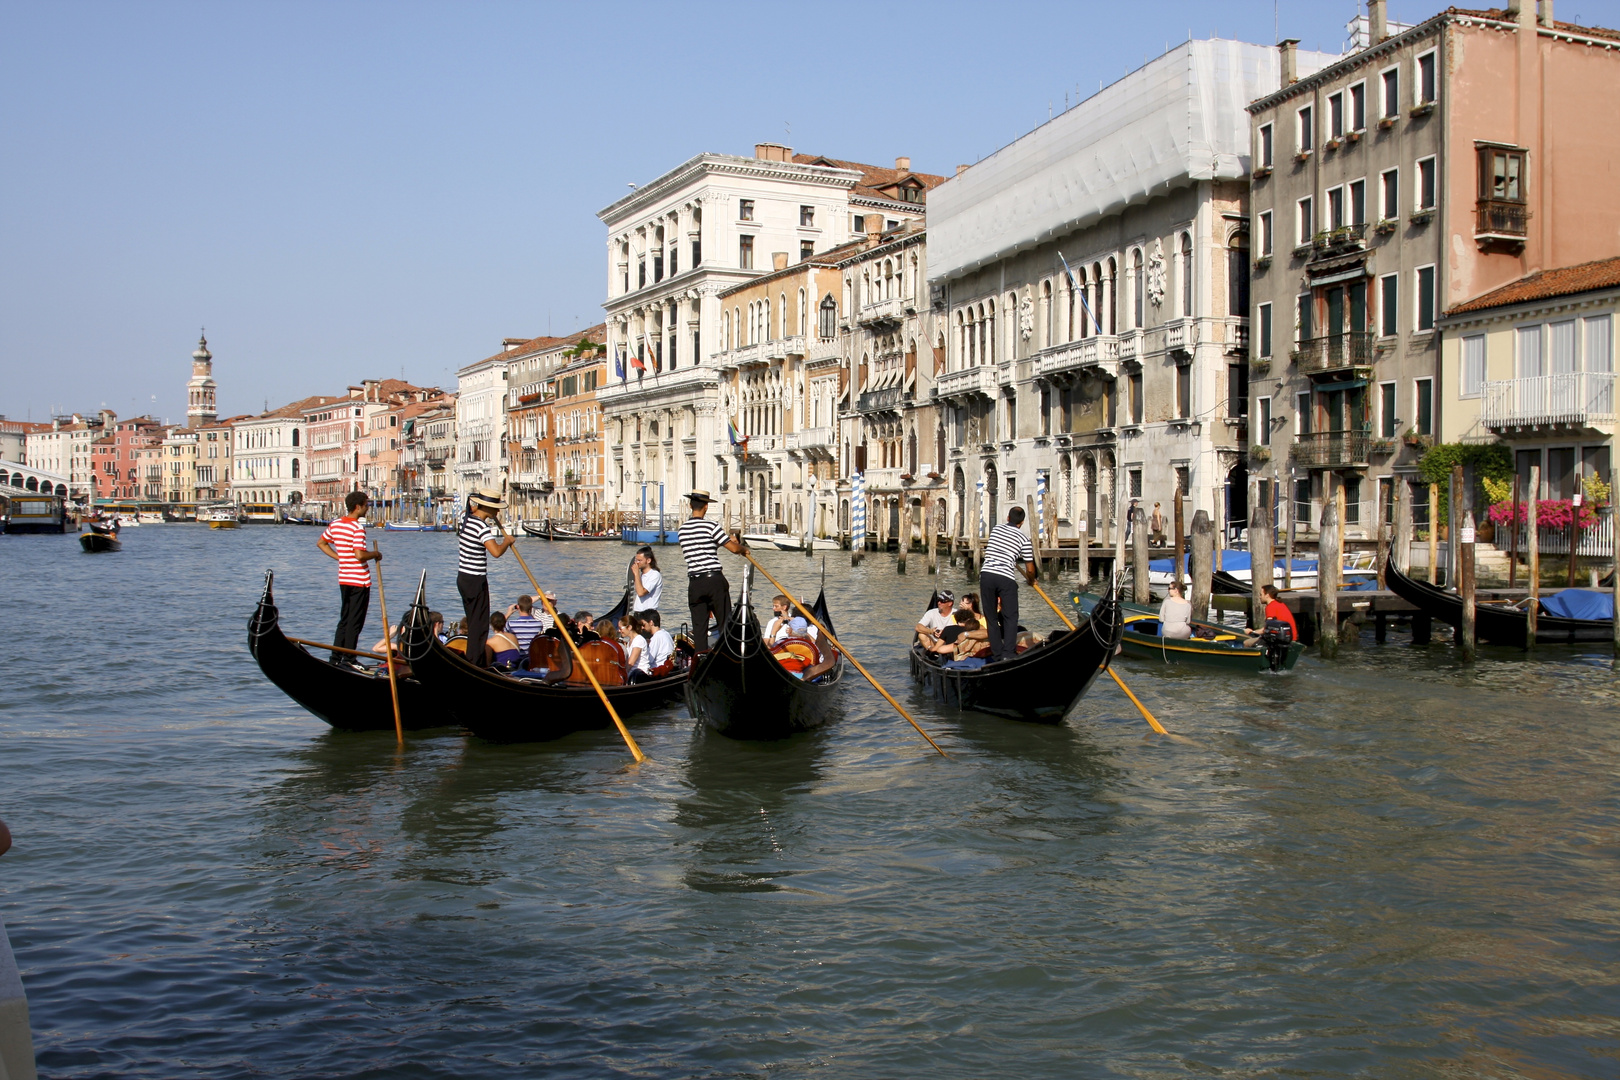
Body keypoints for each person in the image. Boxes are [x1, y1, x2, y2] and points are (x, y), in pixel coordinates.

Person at [316, 491, 382, 669]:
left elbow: (321, 543)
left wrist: (339, 558)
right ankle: (350, 659)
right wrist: (375, 554)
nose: (368, 508)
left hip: (344, 578)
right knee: (355, 621)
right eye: (366, 505)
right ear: (358, 507)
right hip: (359, 580)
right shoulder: (357, 528)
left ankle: (336, 657)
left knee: (344, 619)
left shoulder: (336, 524)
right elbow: (360, 555)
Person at [678, 489, 745, 653]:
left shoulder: (682, 530)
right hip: (714, 581)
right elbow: (733, 549)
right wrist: (742, 547)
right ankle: (729, 657)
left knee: (699, 628)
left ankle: (700, 659)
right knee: (725, 624)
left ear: (689, 505)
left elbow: (702, 548)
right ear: (706, 507)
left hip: (695, 584)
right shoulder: (711, 526)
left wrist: (726, 542)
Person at [457, 488, 517, 667]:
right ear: (489, 508)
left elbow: (467, 510)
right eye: (496, 508)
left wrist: (479, 510)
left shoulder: (465, 519)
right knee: (480, 625)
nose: (498, 512)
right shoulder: (482, 527)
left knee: (473, 620)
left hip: (463, 578)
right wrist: (507, 541)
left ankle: (473, 658)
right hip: (476, 580)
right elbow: (496, 552)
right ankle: (475, 663)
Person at [980, 506, 1037, 662]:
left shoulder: (996, 529)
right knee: (1010, 617)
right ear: (1022, 522)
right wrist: (1031, 580)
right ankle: (1008, 654)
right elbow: (1030, 569)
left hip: (986, 575)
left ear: (1007, 518)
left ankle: (997, 655)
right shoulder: (1024, 540)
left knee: (991, 618)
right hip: (1005, 578)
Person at [630, 546, 663, 613]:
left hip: (648, 613)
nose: (637, 563)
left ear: (648, 560)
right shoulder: (641, 575)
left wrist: (636, 574)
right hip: (638, 611)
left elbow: (641, 593)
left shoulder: (654, 575)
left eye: (640, 560)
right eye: (636, 560)